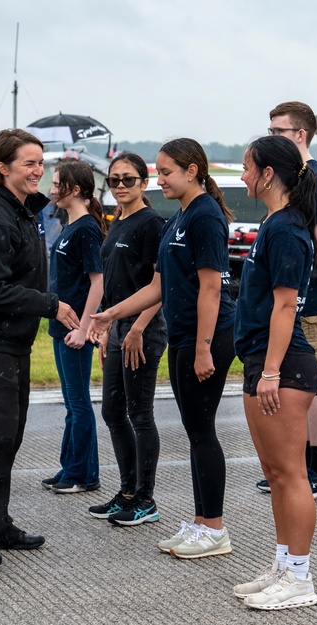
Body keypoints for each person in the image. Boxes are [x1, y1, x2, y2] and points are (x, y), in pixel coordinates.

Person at [90, 138, 237, 555]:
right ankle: (200, 522)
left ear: (193, 171)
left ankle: (215, 530)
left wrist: (204, 348)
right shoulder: (180, 216)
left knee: (203, 432)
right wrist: (110, 315)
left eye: (166, 171)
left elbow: (211, 289)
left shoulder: (205, 215)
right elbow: (157, 286)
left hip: (205, 336)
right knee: (195, 432)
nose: (160, 179)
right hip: (184, 335)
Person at [0, 129, 80, 566]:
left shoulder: (22, 212)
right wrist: (52, 305)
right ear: (2, 167)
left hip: (7, 341)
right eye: (28, 163)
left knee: (7, 434)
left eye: (41, 163)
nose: (38, 171)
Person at [232, 135, 317, 610]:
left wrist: (269, 372)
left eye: (248, 168)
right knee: (274, 472)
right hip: (261, 362)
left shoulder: (287, 228)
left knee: (290, 473)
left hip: (282, 365)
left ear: (268, 174)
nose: (242, 175)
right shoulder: (273, 223)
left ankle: (301, 578)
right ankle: (284, 563)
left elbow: (286, 305)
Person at [255, 101, 317, 500]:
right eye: (269, 132)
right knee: (297, 385)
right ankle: (298, 464)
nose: (272, 137)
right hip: (293, 296)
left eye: (279, 132)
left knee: (316, 380)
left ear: (301, 135)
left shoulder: (315, 178)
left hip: (312, 299)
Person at [85, 153, 169, 526]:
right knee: (112, 411)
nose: (120, 186)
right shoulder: (116, 220)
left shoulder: (152, 224)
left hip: (143, 329)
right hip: (119, 327)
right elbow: (113, 280)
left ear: (144, 182)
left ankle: (146, 500)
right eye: (115, 180)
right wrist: (107, 330)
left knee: (139, 413)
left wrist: (137, 328)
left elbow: (159, 285)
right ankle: (128, 491)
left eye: (128, 180)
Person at [42, 161, 105, 494]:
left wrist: (84, 328)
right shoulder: (70, 225)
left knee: (79, 403)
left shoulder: (87, 229)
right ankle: (72, 467)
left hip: (74, 331)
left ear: (75, 190)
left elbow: (98, 282)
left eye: (57, 184)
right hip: (60, 328)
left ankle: (82, 474)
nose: (52, 190)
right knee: (71, 402)